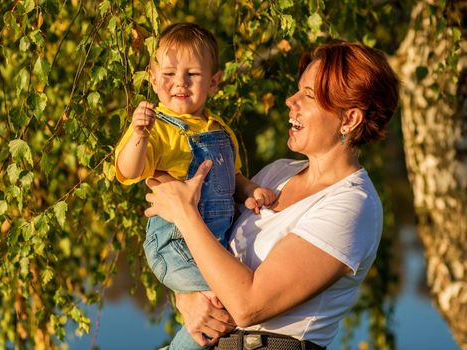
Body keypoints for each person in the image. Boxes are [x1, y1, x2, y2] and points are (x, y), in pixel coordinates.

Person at [144, 40, 400, 349]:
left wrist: (184, 213)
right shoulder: (276, 174)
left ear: (349, 119)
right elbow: (210, 253)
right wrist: (187, 296)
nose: (290, 101)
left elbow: (247, 306)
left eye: (308, 95)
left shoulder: (352, 206)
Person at [115, 23, 276, 349]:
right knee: (229, 299)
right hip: (173, 246)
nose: (180, 83)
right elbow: (127, 169)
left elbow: (234, 180)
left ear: (214, 82)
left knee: (224, 310)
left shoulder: (220, 130)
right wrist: (138, 135)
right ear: (154, 79)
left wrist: (251, 191)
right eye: (170, 73)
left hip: (210, 246)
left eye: (192, 74)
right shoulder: (157, 129)